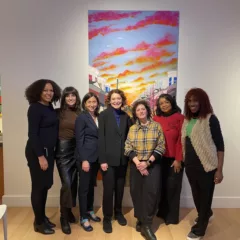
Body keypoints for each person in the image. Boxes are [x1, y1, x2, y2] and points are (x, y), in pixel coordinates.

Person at [182, 88, 224, 240]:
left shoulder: (211, 119)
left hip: (207, 166)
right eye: (189, 101)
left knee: (205, 196)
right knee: (196, 195)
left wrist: (219, 170)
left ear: (202, 102)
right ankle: (206, 213)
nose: (192, 104)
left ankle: (200, 228)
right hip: (190, 166)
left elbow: (220, 146)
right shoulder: (186, 120)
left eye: (195, 100)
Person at [125, 100, 165, 240]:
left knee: (151, 194)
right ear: (135, 113)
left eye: (143, 109)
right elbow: (128, 147)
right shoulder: (133, 129)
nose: (141, 111)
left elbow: (161, 147)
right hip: (136, 166)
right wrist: (138, 163)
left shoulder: (156, 126)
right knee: (136, 193)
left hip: (152, 165)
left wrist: (147, 163)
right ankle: (140, 219)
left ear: (147, 110)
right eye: (138, 110)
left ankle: (147, 225)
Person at [25, 79, 61, 234]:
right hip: (38, 153)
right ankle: (38, 223)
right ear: (38, 91)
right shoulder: (34, 108)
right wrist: (41, 156)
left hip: (49, 152)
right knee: (39, 187)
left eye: (51, 90)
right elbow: (32, 134)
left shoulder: (50, 107)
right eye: (45, 90)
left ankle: (42, 216)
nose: (49, 93)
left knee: (45, 186)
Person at [98, 89, 132, 233]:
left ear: (122, 100)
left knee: (119, 189)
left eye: (118, 99)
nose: (116, 101)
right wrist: (102, 160)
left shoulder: (126, 116)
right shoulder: (103, 115)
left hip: (122, 160)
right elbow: (101, 138)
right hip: (108, 161)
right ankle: (107, 217)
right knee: (108, 190)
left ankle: (118, 213)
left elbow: (130, 136)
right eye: (113, 99)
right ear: (109, 101)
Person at [153, 94, 184, 225]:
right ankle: (161, 212)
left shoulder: (180, 118)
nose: (164, 105)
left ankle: (171, 217)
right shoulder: (156, 118)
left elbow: (181, 140)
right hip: (159, 158)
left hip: (174, 159)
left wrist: (178, 159)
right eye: (161, 103)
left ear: (172, 102)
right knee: (161, 186)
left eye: (166, 102)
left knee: (173, 188)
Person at [55, 87, 81, 234]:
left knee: (74, 183)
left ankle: (69, 211)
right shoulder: (57, 113)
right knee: (67, 183)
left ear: (76, 98)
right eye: (68, 96)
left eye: (73, 96)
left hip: (76, 150)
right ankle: (63, 217)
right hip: (63, 151)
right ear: (64, 98)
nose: (71, 98)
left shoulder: (80, 113)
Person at [75, 92, 101, 232]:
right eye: (89, 102)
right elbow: (79, 140)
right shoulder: (82, 118)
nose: (92, 104)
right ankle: (83, 217)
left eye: (94, 102)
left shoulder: (98, 117)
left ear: (97, 103)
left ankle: (90, 210)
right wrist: (84, 159)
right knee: (84, 189)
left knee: (91, 186)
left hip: (96, 158)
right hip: (85, 159)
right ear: (84, 103)